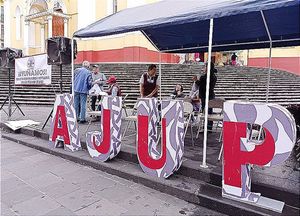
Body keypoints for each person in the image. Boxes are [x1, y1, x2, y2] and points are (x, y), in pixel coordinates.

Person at [195, 62, 217, 130]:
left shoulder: (204, 77)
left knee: (206, 112)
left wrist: (196, 80)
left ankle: (206, 127)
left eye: (205, 66)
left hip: (205, 95)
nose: (204, 68)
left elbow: (201, 86)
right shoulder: (214, 76)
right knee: (209, 112)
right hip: (211, 95)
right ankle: (209, 127)